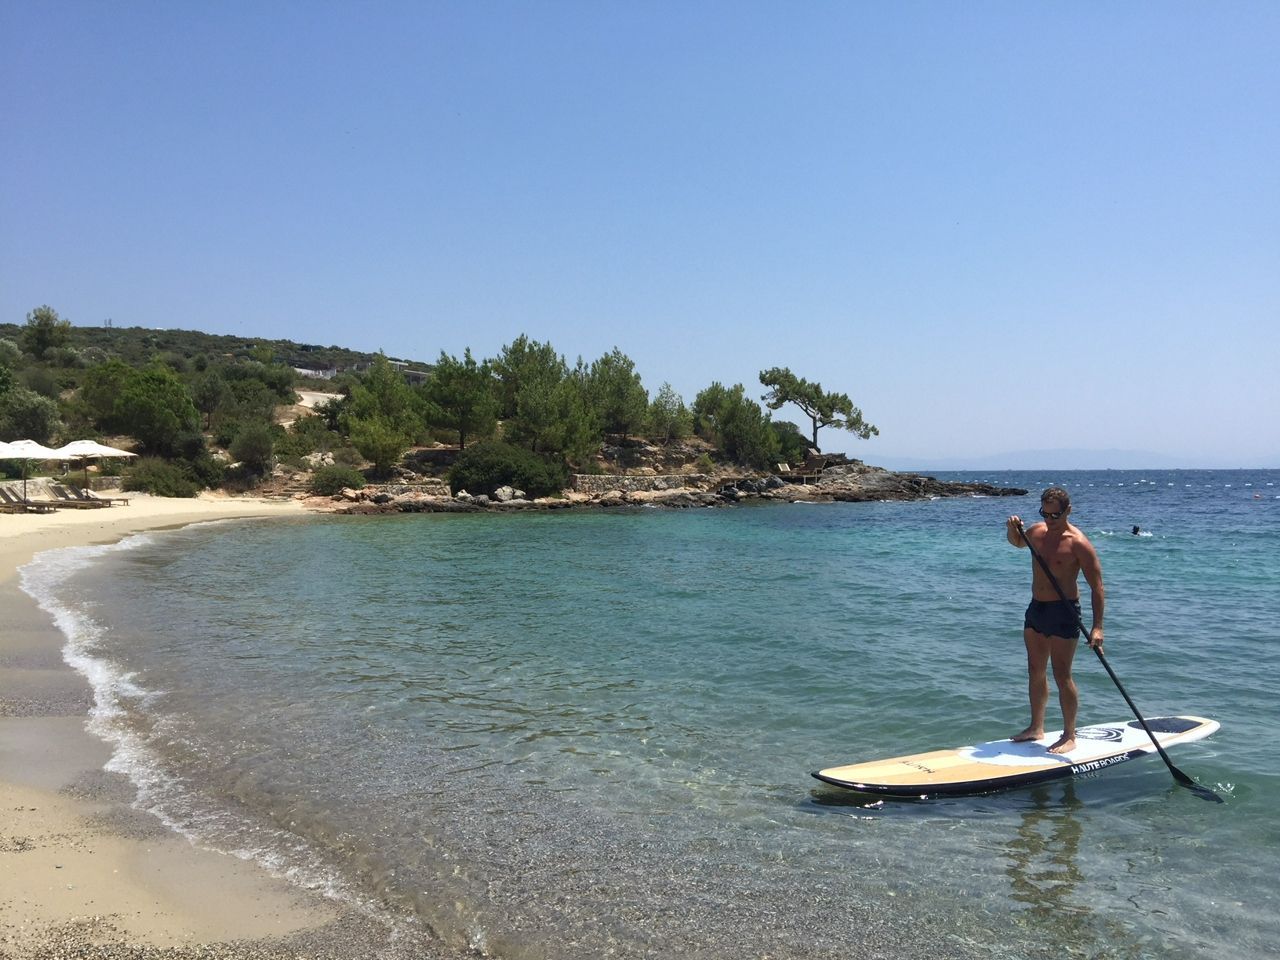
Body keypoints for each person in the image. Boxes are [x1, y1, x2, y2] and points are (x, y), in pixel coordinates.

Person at [1005, 487, 1105, 754]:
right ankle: (1036, 727)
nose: (1049, 520)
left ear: (1068, 511)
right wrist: (1012, 528)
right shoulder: (1037, 532)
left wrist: (1097, 628)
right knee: (1035, 670)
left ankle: (1069, 735)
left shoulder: (1078, 543)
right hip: (1037, 609)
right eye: (1045, 514)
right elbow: (1016, 543)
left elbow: (1097, 588)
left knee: (1062, 675)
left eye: (1055, 515)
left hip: (1065, 612)